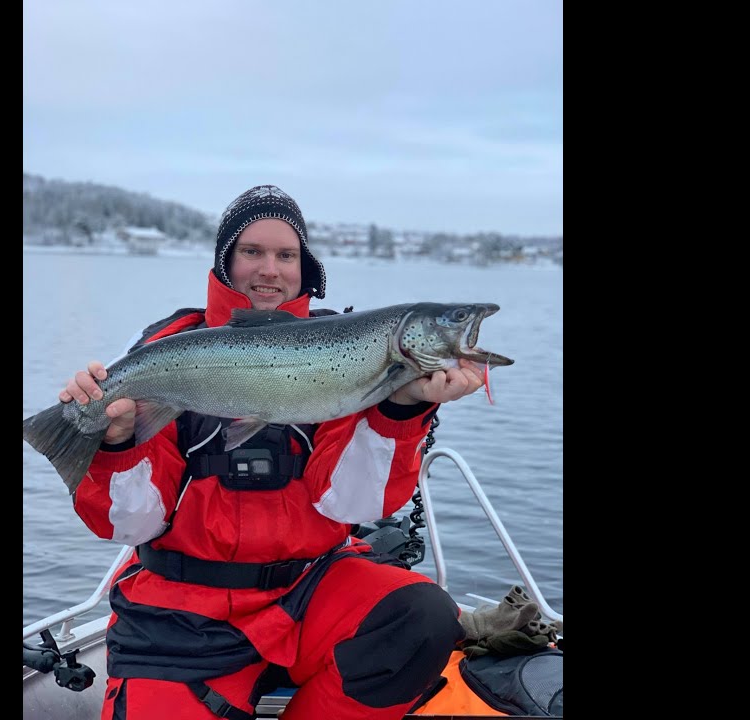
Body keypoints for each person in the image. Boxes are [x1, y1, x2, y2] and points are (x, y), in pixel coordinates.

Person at [59, 184, 487, 720]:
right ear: (225, 261)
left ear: (304, 268)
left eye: (286, 255)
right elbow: (130, 525)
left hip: (307, 591)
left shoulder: (344, 350)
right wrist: (117, 439)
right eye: (252, 252)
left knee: (422, 615)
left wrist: (401, 407)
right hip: (180, 611)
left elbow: (350, 505)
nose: (270, 270)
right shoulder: (167, 348)